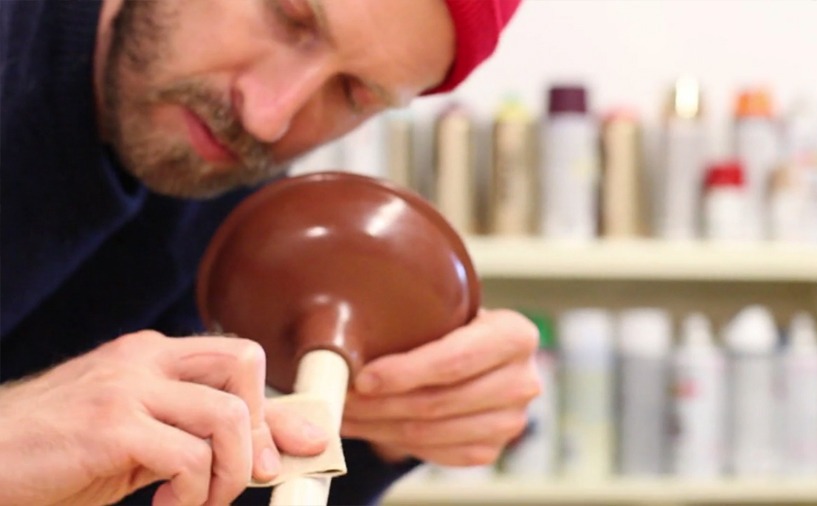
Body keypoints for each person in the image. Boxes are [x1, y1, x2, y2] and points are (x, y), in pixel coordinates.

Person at [0, 0, 540, 505]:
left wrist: (396, 427)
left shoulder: (223, 204)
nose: (266, 117)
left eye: (353, 93)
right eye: (287, 16)